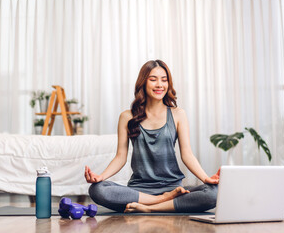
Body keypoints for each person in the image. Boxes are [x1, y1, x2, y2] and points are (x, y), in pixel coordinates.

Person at [85, 60, 220, 213]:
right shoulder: (127, 117)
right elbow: (120, 157)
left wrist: (206, 179)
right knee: (97, 190)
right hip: (139, 192)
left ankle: (148, 208)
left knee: (213, 193)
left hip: (173, 187)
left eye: (164, 79)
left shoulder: (178, 115)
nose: (159, 85)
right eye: (153, 79)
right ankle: (160, 201)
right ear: (143, 82)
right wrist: (101, 177)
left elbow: (187, 154)